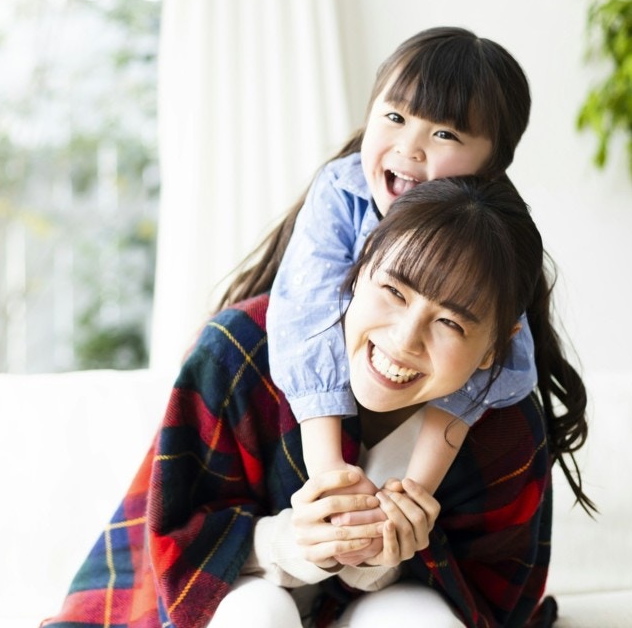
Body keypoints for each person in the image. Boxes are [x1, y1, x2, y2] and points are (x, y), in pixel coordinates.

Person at [41, 176, 592, 628]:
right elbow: (174, 535)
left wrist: (390, 562)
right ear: (360, 264)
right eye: (393, 292)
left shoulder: (506, 423)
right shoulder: (242, 349)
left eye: (450, 322)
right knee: (258, 615)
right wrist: (289, 543)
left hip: (392, 607)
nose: (404, 340)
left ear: (496, 346)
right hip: (243, 594)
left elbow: (496, 597)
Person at [225, 28, 538, 563]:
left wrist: (415, 491)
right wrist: (332, 484)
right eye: (394, 116)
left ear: (492, 167)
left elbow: (496, 368)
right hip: (306, 442)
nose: (409, 147)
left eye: (445, 134)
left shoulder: (493, 245)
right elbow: (308, 315)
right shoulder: (342, 191)